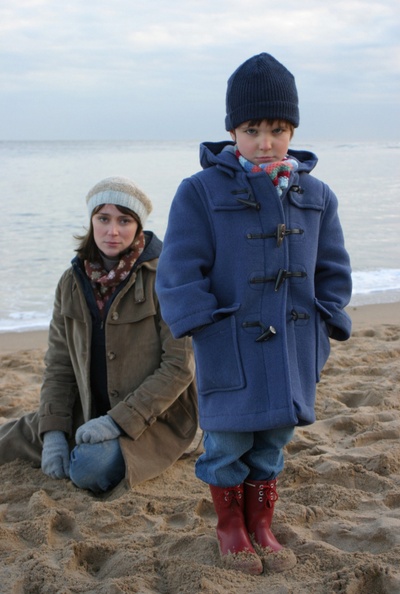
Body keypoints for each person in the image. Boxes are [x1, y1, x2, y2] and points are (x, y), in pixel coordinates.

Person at [155, 53, 352, 575]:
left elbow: (333, 268)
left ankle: (261, 524)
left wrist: (327, 322)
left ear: (292, 130)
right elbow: (178, 269)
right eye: (252, 130)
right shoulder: (199, 191)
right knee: (226, 443)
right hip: (230, 343)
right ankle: (231, 528)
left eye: (277, 130)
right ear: (232, 130)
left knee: (272, 442)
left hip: (294, 345)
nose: (265, 142)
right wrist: (203, 324)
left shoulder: (317, 195)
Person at [0, 176, 198, 495]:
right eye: (103, 219)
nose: (112, 231)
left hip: (153, 417)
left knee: (88, 468)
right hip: (86, 409)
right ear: (91, 221)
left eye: (124, 220)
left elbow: (179, 368)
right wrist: (53, 434)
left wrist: (116, 422)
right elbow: (59, 365)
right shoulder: (71, 281)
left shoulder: (167, 276)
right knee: (8, 443)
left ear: (139, 225)